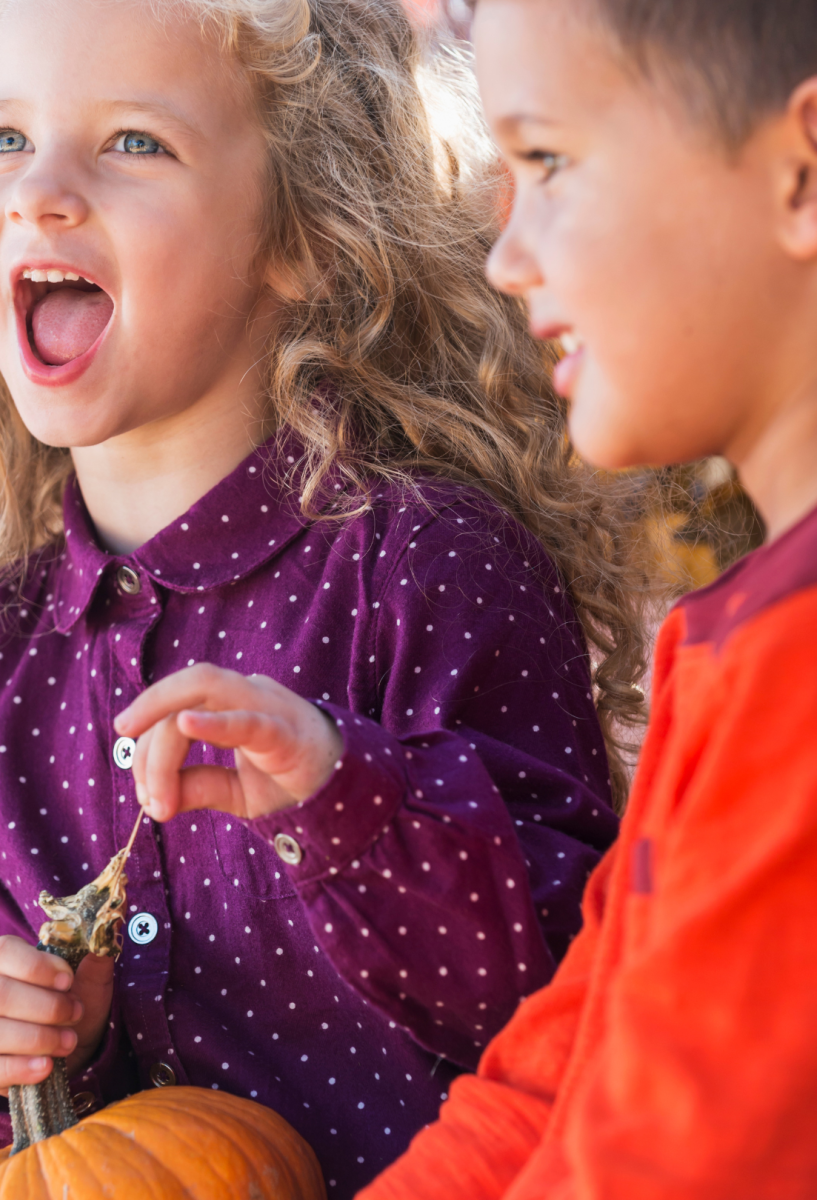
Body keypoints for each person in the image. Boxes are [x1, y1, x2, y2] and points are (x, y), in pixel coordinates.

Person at [0, 0, 649, 1191]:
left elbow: (576, 988)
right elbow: (32, 1160)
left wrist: (345, 804)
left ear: (303, 232)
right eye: (2, 138)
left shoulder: (430, 570)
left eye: (133, 144)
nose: (41, 191)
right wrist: (31, 1054)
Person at [361, 1, 817, 1197]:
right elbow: (556, 1072)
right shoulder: (732, 645)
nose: (507, 256)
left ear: (801, 176)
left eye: (549, 161)